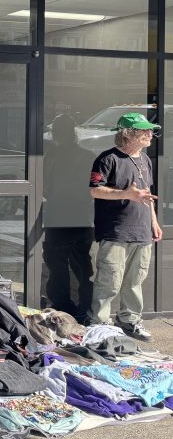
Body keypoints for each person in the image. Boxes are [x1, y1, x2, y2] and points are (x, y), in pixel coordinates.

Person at [87, 112, 163, 341]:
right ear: (128, 134)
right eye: (144, 130)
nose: (150, 134)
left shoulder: (145, 159)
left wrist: (154, 222)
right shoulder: (107, 159)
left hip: (141, 232)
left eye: (150, 130)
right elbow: (95, 190)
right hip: (116, 231)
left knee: (134, 282)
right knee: (109, 281)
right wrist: (126, 194)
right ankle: (99, 325)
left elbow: (147, 196)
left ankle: (129, 320)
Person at [42, 114, 95, 320]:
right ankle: (86, 306)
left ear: (57, 132)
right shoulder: (88, 155)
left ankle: (63, 304)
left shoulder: (53, 155)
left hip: (58, 215)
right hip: (82, 216)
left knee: (57, 264)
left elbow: (45, 184)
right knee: (82, 265)